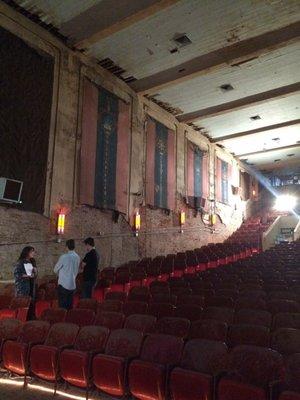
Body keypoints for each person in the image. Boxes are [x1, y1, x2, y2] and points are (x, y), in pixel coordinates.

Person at [54, 239, 80, 310]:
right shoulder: (77, 257)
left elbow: (55, 269)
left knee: (62, 306)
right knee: (70, 305)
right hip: (72, 284)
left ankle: (62, 320)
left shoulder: (64, 257)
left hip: (63, 284)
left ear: (66, 246)